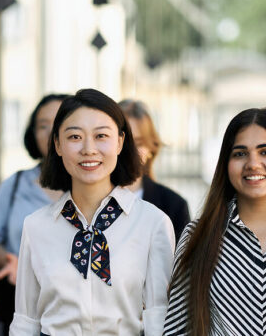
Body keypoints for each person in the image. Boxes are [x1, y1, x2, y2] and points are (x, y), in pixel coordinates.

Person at [9, 88, 175, 336]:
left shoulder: (152, 223)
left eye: (101, 136)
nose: (88, 149)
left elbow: (158, 318)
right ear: (57, 144)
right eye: (75, 137)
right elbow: (25, 321)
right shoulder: (36, 226)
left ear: (119, 142)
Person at [163, 108, 266, 335]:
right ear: (225, 163)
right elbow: (177, 329)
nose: (253, 163)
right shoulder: (199, 234)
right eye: (240, 154)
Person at [0, 94, 67, 333]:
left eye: (59, 123)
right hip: (17, 305)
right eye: (42, 125)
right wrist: (12, 262)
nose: (50, 132)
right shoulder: (16, 184)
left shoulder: (91, 188)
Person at [119, 99, 190, 242]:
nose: (129, 150)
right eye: (124, 141)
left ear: (151, 148)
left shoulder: (173, 205)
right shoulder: (91, 200)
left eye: (138, 143)